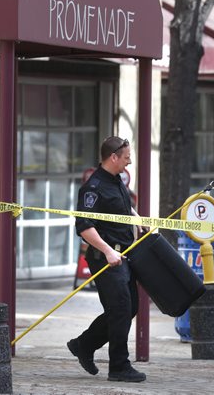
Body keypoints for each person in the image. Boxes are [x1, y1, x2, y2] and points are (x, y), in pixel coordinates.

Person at [67, 136, 146, 382]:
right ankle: (119, 366)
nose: (129, 161)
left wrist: (136, 216)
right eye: (126, 157)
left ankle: (84, 344)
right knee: (121, 308)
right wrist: (108, 251)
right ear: (113, 157)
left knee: (129, 307)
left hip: (123, 255)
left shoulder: (116, 180)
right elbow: (84, 226)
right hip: (106, 257)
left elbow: (121, 207)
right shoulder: (93, 188)